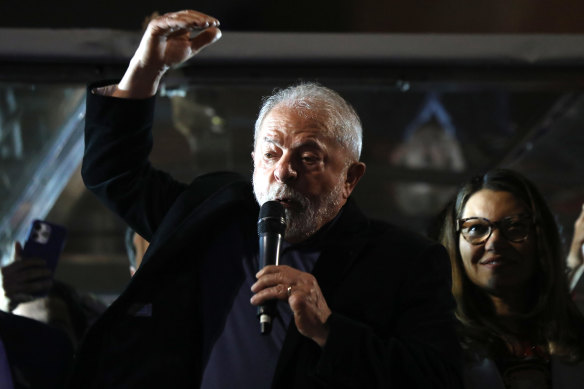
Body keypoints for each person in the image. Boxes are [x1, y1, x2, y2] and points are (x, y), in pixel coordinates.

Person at [69, 9, 463, 389]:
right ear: (254, 158)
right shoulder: (212, 217)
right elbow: (112, 172)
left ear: (350, 178)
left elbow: (436, 379)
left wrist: (329, 329)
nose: (283, 172)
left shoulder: (404, 262)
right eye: (272, 153)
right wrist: (148, 67)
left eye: (308, 158)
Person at [438, 168, 584, 388]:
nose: (495, 242)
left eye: (514, 226)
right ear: (455, 243)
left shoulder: (575, 335)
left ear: (541, 239)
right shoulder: (432, 344)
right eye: (476, 228)